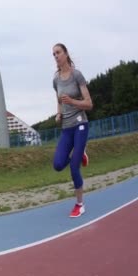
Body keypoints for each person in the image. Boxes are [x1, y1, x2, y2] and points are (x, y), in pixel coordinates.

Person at [51, 43, 93, 217]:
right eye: (53, 54)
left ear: (66, 54)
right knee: (58, 164)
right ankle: (81, 153)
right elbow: (59, 100)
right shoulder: (55, 79)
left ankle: (79, 204)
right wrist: (59, 113)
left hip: (80, 123)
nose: (55, 56)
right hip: (67, 128)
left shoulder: (77, 75)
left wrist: (73, 102)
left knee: (74, 167)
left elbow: (89, 104)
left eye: (58, 52)